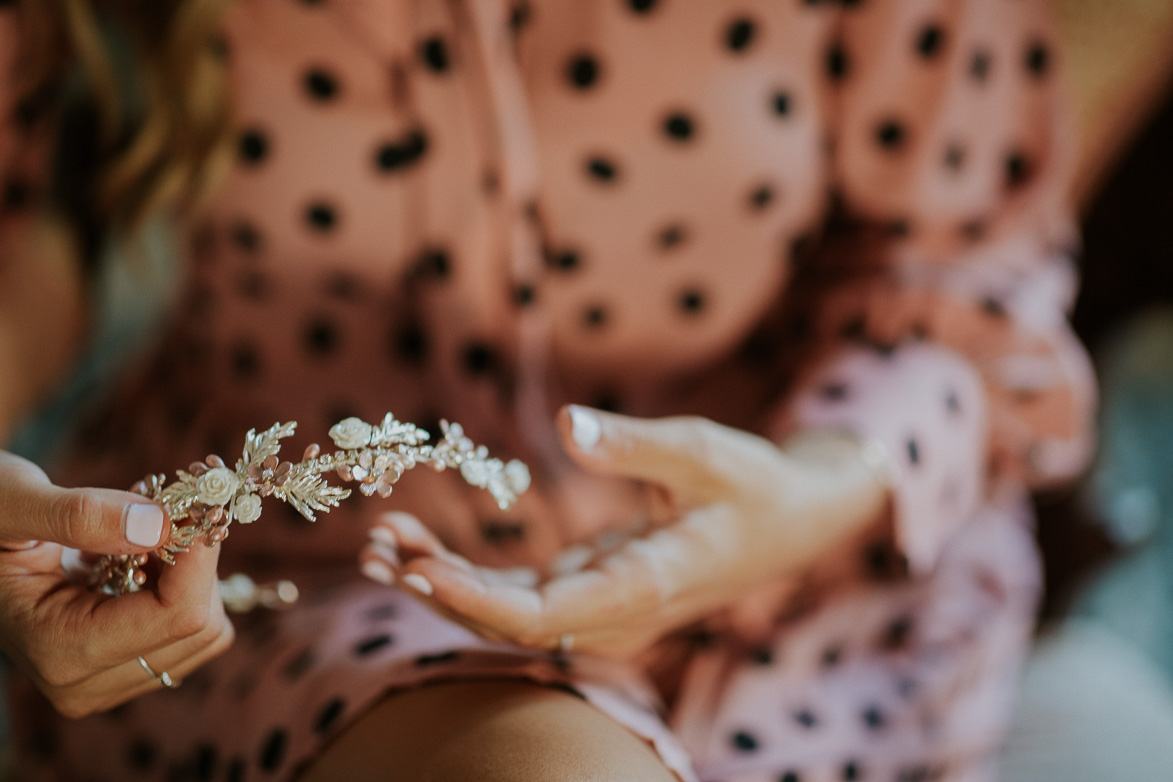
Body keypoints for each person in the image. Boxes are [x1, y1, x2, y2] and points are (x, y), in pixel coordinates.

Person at [0, 1, 1095, 780]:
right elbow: (37, 215)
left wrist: (812, 492)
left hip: (812, 601)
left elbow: (964, 271)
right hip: (308, 577)